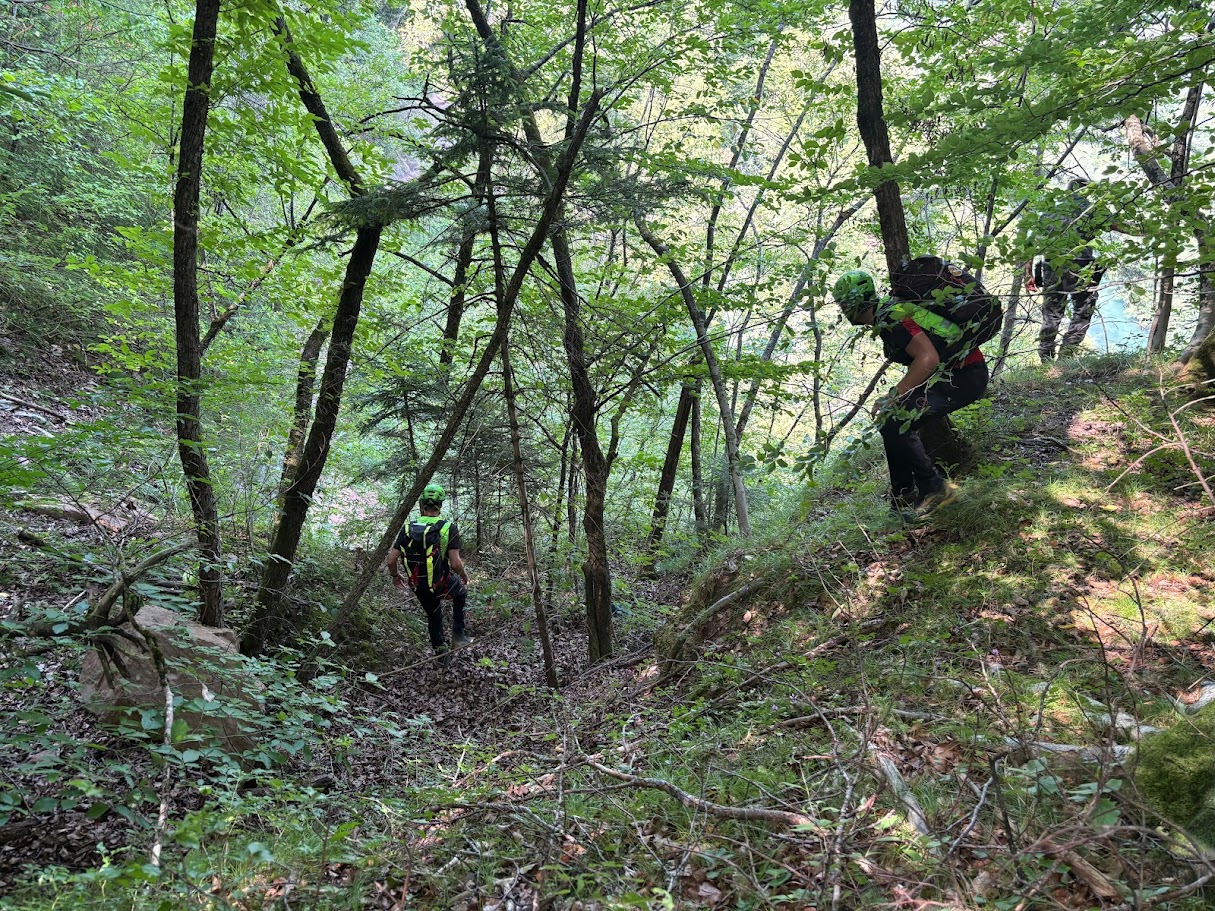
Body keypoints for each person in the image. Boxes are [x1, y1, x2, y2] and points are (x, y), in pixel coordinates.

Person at [832, 263, 992, 518]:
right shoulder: (889, 312)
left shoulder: (890, 316)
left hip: (964, 376)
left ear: (853, 303)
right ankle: (903, 494)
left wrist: (894, 395)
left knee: (896, 420)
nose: (842, 309)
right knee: (890, 419)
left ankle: (935, 487)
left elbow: (928, 359)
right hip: (959, 374)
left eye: (842, 303)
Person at [387, 482, 472, 664]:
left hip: (419, 585)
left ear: (421, 504)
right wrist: (463, 576)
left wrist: (395, 576)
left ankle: (442, 659)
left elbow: (391, 560)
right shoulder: (447, 528)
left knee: (434, 616)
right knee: (461, 593)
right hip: (441, 582)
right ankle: (458, 634)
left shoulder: (408, 528)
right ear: (440, 506)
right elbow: (456, 563)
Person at [1024, 178, 1106, 361]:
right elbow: (1120, 226)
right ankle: (1066, 357)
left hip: (1053, 267)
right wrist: (1151, 231)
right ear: (1087, 192)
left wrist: (1028, 273)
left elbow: (1031, 244)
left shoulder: (1050, 212)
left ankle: (1046, 359)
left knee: (1052, 313)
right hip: (1082, 267)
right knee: (1082, 312)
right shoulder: (1092, 210)